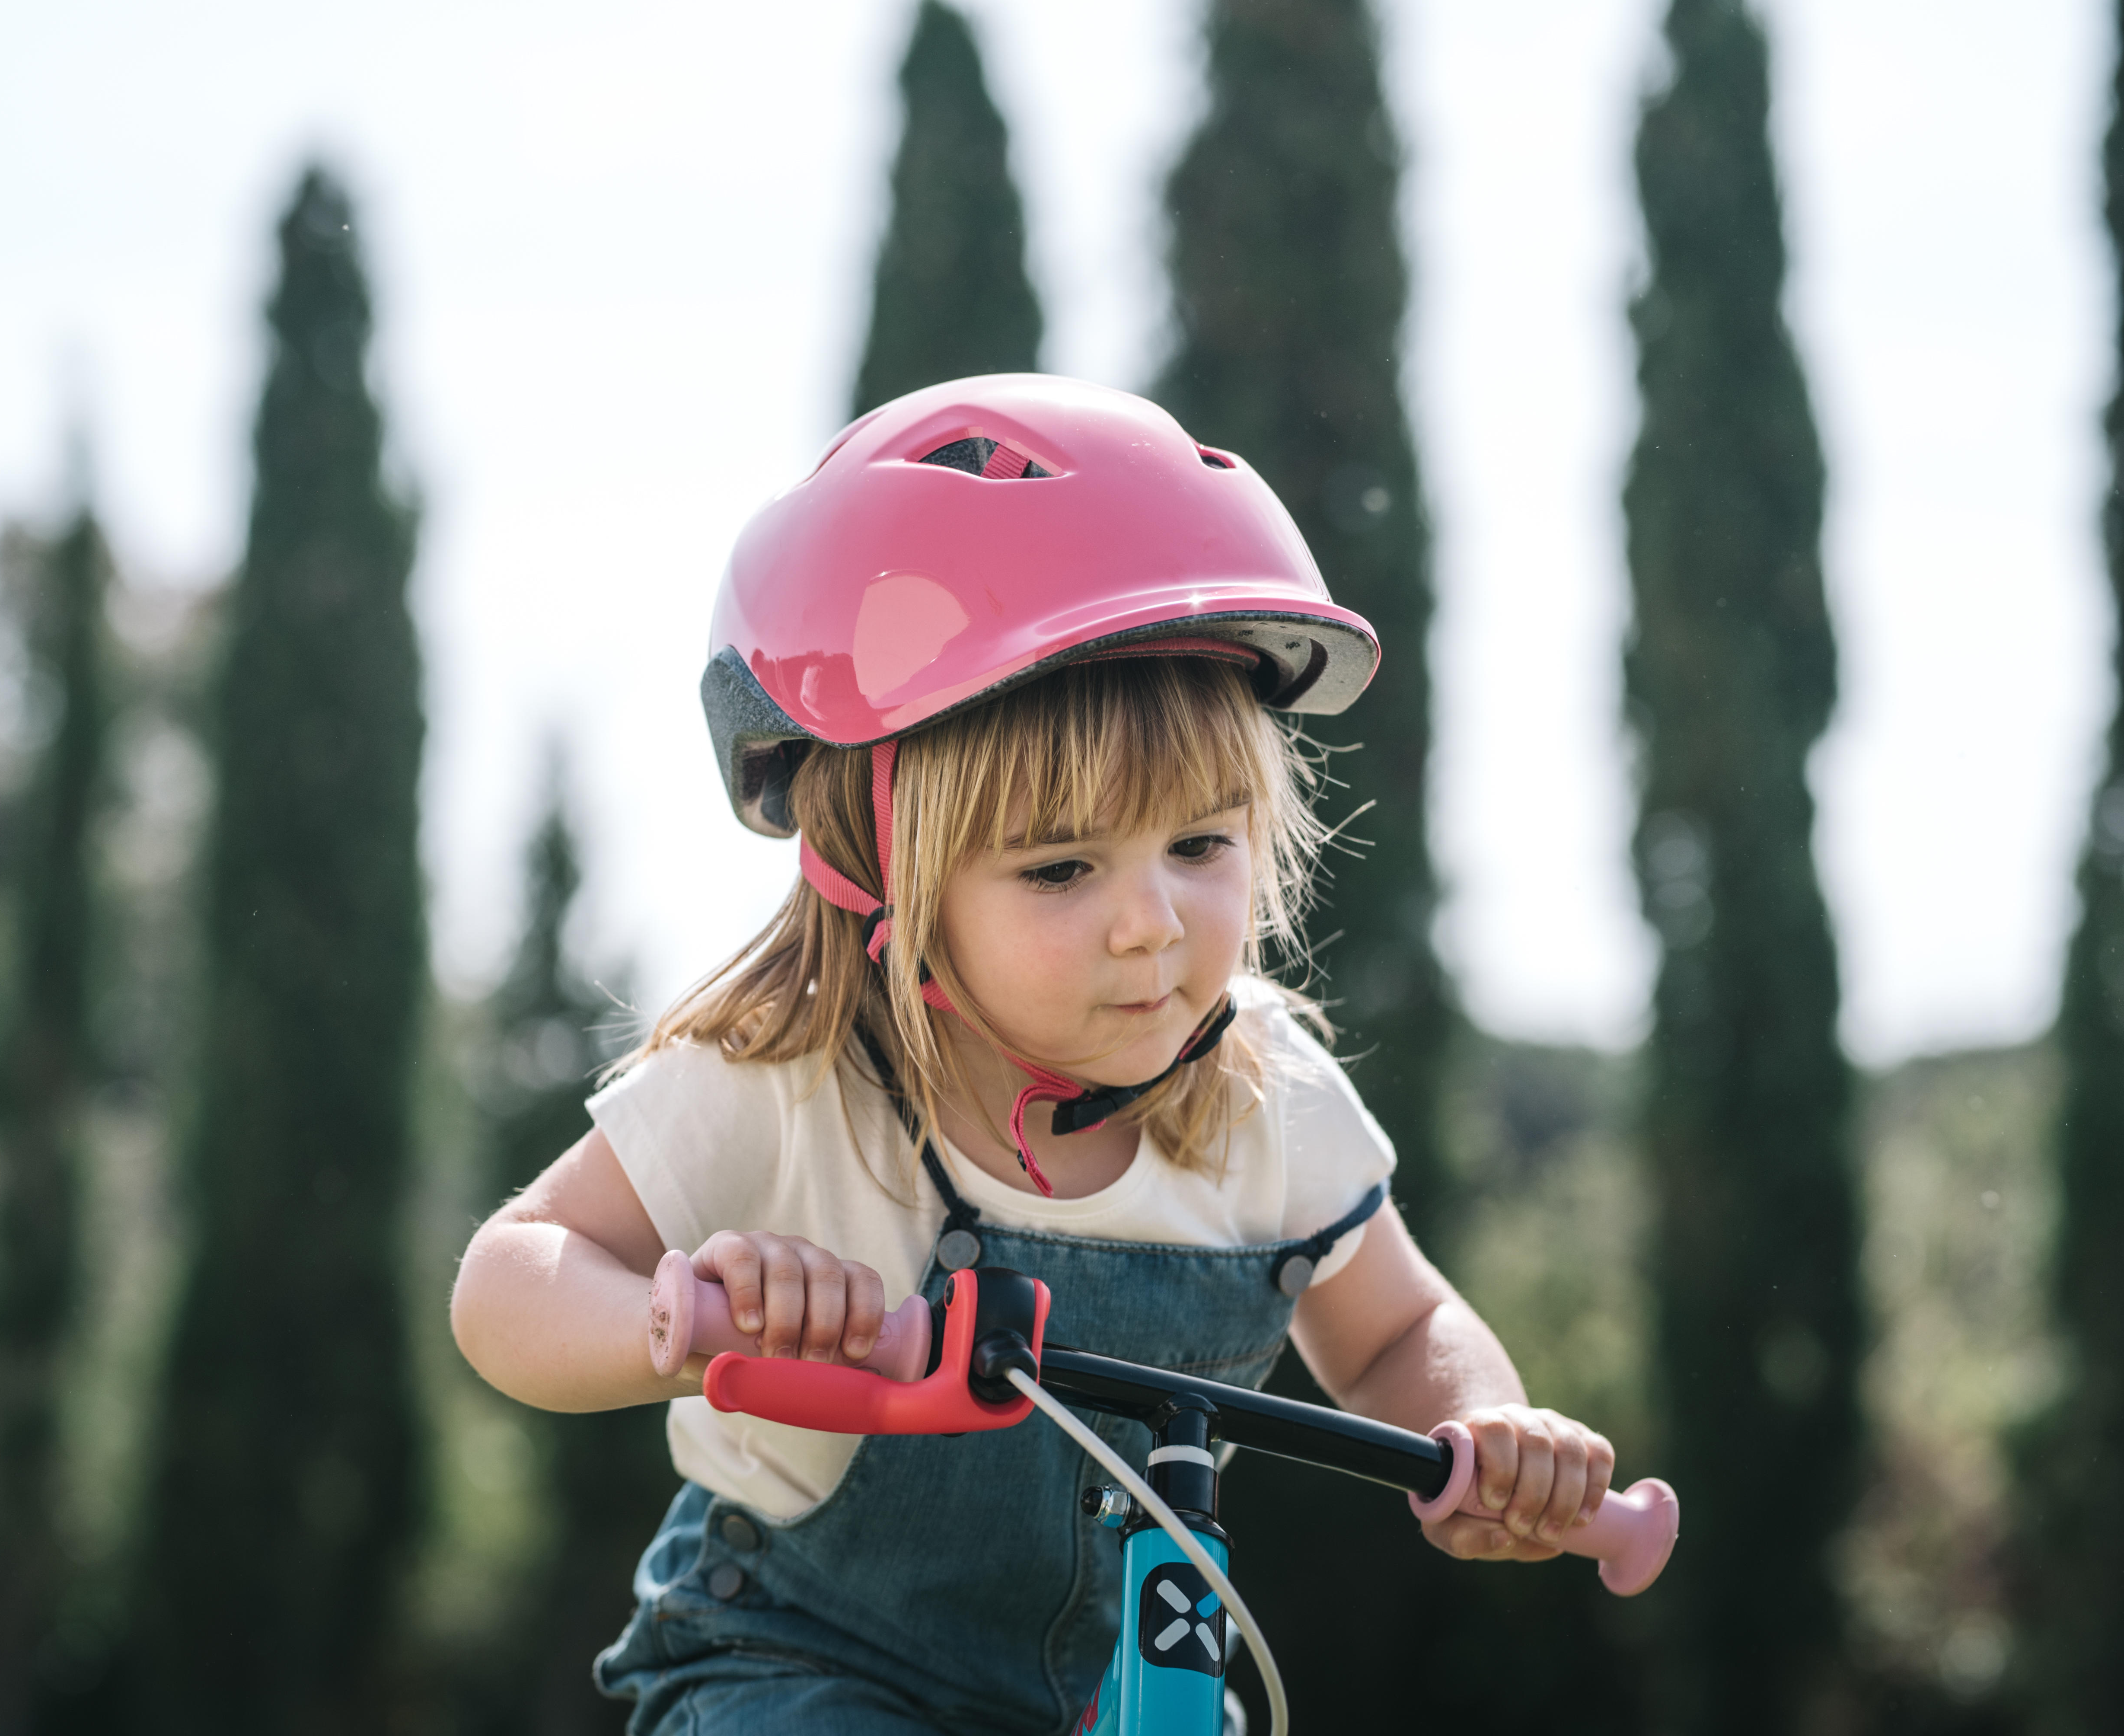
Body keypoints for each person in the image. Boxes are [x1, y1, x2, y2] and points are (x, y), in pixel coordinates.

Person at [450, 375, 1619, 1733]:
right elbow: (504, 1288)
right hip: (797, 1666)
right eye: (1061, 866)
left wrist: (1485, 1430)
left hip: (1118, 1686)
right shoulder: (790, 1082)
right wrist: (685, 1313)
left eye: (1201, 844)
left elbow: (1402, 1331)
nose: (1152, 925)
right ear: (884, 875)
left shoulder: (1268, 1099)